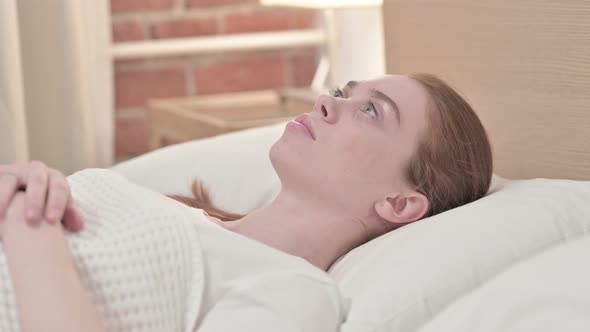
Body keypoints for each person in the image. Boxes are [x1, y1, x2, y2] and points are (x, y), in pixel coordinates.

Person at [0, 73, 493, 332]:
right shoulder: (179, 213)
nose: (326, 101)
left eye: (369, 110)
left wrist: (30, 227)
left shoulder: (293, 293)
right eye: (345, 90)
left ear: (402, 203)